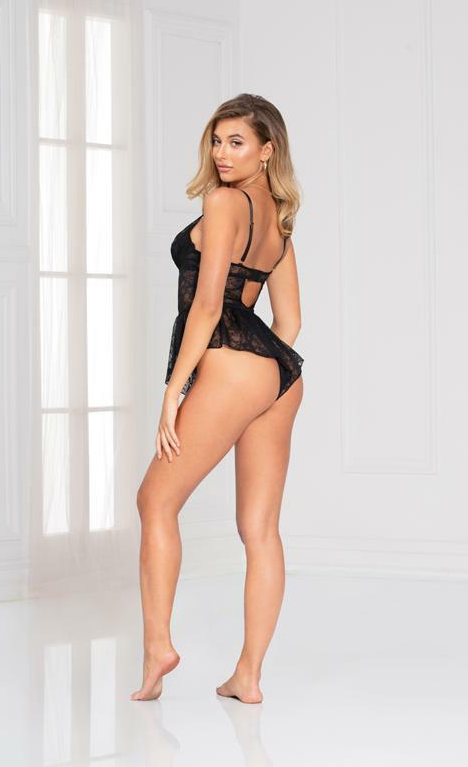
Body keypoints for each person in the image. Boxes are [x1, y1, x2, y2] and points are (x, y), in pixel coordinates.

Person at [131, 93, 304, 703]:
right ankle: (247, 677)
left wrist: (175, 391)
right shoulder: (279, 220)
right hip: (280, 375)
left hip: (231, 367)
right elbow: (290, 322)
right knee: (260, 530)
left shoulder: (223, 202)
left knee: (155, 500)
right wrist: (262, 375)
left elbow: (207, 306)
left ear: (267, 149)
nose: (222, 153)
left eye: (236, 142)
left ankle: (158, 647)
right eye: (216, 140)